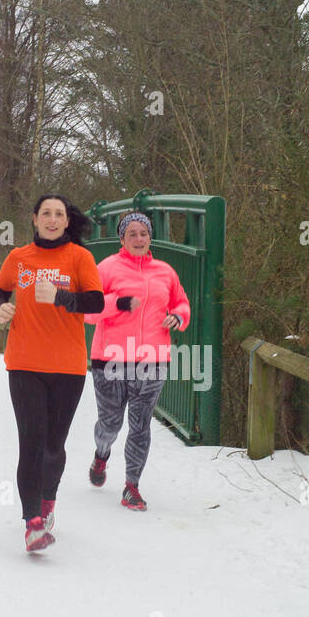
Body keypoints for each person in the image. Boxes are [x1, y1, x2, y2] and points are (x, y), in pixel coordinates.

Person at [0, 194, 103, 551]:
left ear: (67, 221)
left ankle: (48, 500)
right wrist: (0, 309)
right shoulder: (19, 257)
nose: (52, 220)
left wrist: (61, 297)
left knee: (54, 446)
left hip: (68, 367)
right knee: (32, 444)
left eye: (59, 214)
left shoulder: (79, 257)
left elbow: (96, 302)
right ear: (34, 219)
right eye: (46, 214)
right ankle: (32, 522)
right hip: (24, 363)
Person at [84, 211, 190, 510]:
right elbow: (89, 311)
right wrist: (116, 304)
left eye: (143, 233)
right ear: (122, 239)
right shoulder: (107, 268)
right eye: (132, 233)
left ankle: (132, 486)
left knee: (141, 424)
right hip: (111, 359)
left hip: (153, 360)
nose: (139, 239)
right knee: (111, 423)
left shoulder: (165, 272)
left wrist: (178, 317)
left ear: (150, 237)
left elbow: (181, 302)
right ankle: (101, 455)